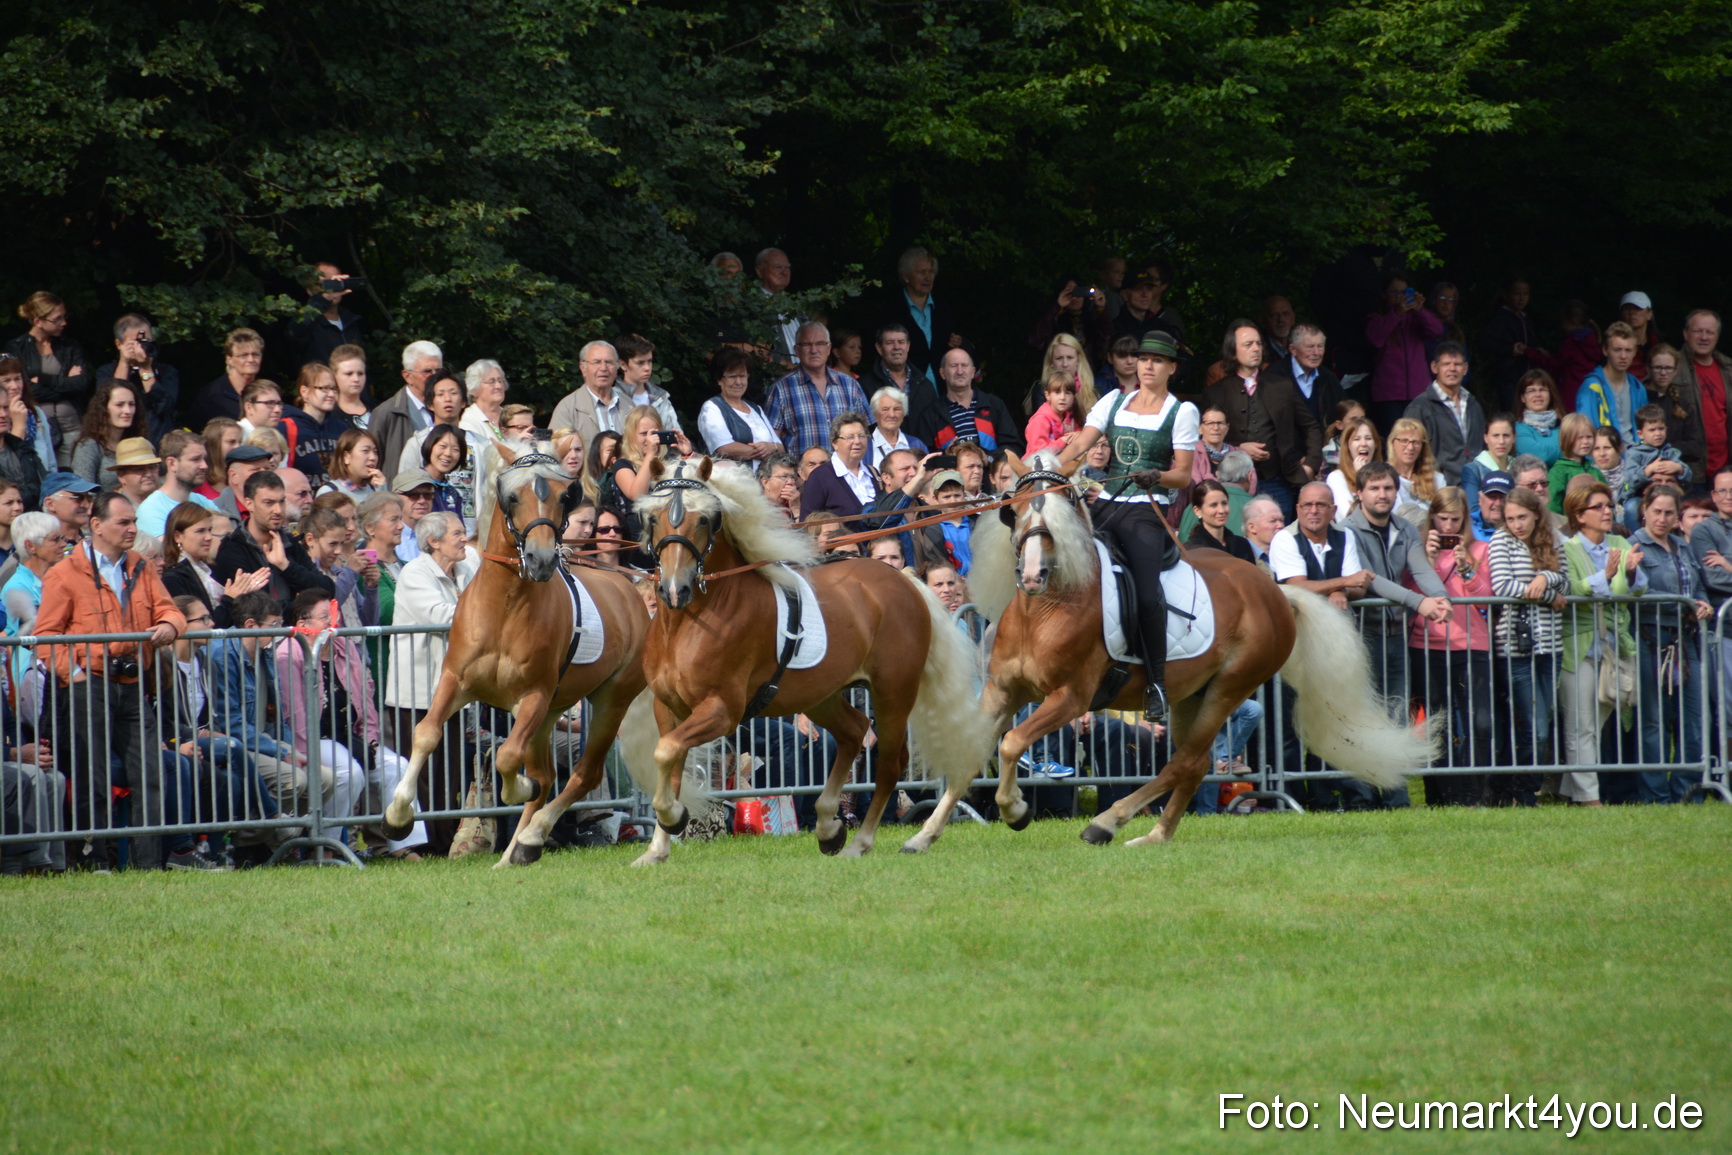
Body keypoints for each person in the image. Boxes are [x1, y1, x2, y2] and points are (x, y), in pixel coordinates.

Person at [36, 492, 186, 869]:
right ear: (97, 525)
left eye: (134, 521)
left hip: (133, 684)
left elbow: (168, 607)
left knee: (150, 773)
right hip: (91, 684)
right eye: (123, 522)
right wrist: (77, 675)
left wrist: (170, 624)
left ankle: (148, 864)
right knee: (93, 779)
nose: (133, 529)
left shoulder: (141, 566)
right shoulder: (63, 574)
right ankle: (94, 860)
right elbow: (46, 637)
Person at [1054, 333, 1197, 722]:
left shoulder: (1181, 411)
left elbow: (1183, 475)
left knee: (1148, 596)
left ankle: (1157, 684)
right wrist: (1046, 469)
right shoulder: (1113, 401)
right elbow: (1075, 449)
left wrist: (1159, 475)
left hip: (1146, 512)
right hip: (1105, 506)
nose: (1147, 366)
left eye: (1156, 361)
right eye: (1143, 359)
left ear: (1171, 368)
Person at [275, 590, 428, 858]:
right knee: (349, 773)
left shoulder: (343, 647)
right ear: (303, 622)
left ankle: (403, 845)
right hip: (313, 740)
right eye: (325, 617)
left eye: (335, 615)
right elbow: (294, 715)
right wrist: (302, 754)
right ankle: (327, 847)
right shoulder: (290, 654)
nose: (333, 622)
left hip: (349, 736)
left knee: (399, 767)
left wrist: (370, 739)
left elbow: (365, 697)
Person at [1342, 462, 1452, 798]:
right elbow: (1369, 580)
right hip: (1362, 635)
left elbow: (1421, 570)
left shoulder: (1405, 528)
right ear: (1359, 493)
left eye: (1388, 488)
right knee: (1363, 717)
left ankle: (1394, 794)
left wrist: (1441, 597)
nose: (1382, 495)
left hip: (1396, 635)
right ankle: (1362, 795)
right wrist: (1419, 603)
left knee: (1397, 716)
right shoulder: (1347, 530)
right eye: (1374, 488)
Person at [383, 512, 478, 854]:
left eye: (464, 531)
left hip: (452, 691)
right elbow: (439, 616)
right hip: (416, 693)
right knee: (421, 774)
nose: (464, 538)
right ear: (434, 541)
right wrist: (484, 613)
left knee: (449, 772)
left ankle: (444, 841)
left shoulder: (466, 569)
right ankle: (424, 845)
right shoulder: (415, 573)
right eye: (457, 533)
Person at [1557, 482, 1645, 807]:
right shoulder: (1566, 550)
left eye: (1608, 505)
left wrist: (1631, 574)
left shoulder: (1621, 541)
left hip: (1614, 645)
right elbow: (1572, 589)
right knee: (1581, 726)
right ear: (1579, 515)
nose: (1607, 511)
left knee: (1596, 722)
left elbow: (1634, 590)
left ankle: (1569, 791)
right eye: (1598, 507)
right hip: (1578, 646)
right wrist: (1606, 576)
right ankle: (1589, 798)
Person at [1407, 487, 1493, 807]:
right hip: (1426, 643)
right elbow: (1413, 592)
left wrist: (1467, 566)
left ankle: (1473, 794)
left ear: (1464, 520)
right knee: (1437, 723)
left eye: (1454, 520)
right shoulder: (1418, 548)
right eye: (1441, 519)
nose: (1447, 527)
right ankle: (1440, 798)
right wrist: (1428, 559)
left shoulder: (1481, 548)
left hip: (1471, 643)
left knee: (1479, 721)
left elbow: (1485, 594)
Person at [1629, 484, 1711, 803]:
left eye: (1668, 513)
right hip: (1651, 637)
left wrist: (1701, 604)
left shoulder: (1683, 546)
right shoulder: (1633, 545)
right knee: (1653, 720)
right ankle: (1655, 795)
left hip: (1686, 639)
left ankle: (1688, 792)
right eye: (1656, 512)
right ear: (1644, 511)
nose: (1662, 519)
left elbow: (1700, 587)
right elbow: (1632, 592)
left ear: (1677, 517)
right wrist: (1680, 601)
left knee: (1693, 718)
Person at [1487, 486, 1566, 806]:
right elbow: (1502, 585)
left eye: (1522, 517)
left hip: (1551, 644)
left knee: (1543, 722)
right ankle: (1520, 789)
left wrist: (1547, 578)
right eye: (1510, 519)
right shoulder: (1500, 541)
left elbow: (1568, 581)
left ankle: (1525, 788)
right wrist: (1549, 593)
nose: (1517, 524)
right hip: (1514, 646)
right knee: (1532, 724)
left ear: (1536, 514)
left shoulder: (1552, 539)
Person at [1203, 320, 1321, 520]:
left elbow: (1311, 427)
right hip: (1231, 482)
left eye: (1258, 343)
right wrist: (1239, 448)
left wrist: (1311, 465)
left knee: (1275, 541)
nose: (1256, 348)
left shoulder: (1281, 386)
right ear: (1233, 350)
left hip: (1276, 481)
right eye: (1248, 344)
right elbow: (1205, 438)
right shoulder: (1216, 392)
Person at [213, 471, 335, 610]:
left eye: (281, 502)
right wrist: (300, 606)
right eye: (268, 503)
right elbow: (256, 611)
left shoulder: (290, 543)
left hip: (296, 630)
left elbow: (327, 590)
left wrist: (286, 566)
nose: (277, 510)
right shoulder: (232, 550)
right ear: (249, 503)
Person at [766, 322, 871, 457]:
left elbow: (867, 433)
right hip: (803, 476)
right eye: (807, 345)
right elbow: (772, 443)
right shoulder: (781, 389)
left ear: (829, 348)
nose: (814, 350)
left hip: (847, 474)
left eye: (820, 344)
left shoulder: (850, 386)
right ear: (796, 350)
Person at [160, 501, 269, 629]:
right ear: (178, 536)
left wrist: (243, 594)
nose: (209, 537)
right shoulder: (173, 578)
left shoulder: (209, 570)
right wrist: (230, 598)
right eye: (200, 531)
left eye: (210, 530)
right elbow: (204, 626)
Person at [5, 292, 87, 460]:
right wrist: (66, 384)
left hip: (72, 424)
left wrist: (44, 379)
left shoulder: (69, 346)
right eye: (57, 319)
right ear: (38, 321)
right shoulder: (17, 348)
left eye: (64, 317)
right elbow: (27, 390)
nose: (64, 323)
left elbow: (81, 384)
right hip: (40, 425)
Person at [1270, 482, 1375, 610]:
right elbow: (1297, 587)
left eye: (1321, 505)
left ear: (1333, 511)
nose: (1313, 511)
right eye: (1307, 505)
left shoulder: (1345, 534)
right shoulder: (1285, 538)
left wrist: (1342, 592)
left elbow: (1359, 586)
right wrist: (1344, 582)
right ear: (1298, 509)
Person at [1365, 272, 1445, 430]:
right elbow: (1375, 339)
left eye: (1404, 292)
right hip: (1388, 396)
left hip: (1418, 392)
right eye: (1394, 292)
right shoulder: (1377, 318)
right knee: (1394, 442)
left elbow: (1437, 331)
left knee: (1419, 441)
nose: (1399, 297)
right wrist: (1397, 313)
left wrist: (1420, 310)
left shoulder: (1415, 318)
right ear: (1384, 294)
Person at [912, 346, 1024, 456]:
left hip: (991, 472)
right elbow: (923, 458)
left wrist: (988, 458)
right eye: (954, 366)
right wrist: (947, 456)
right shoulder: (930, 415)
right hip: (950, 473)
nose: (960, 371)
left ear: (972, 372)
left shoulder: (994, 405)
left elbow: (1014, 447)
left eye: (964, 366)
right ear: (942, 373)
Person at [1401, 341, 1485, 486]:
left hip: (1476, 485)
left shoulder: (1473, 405)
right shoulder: (1420, 407)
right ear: (1435, 367)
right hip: (1439, 488)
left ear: (1465, 368)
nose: (1452, 369)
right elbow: (1407, 451)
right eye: (1446, 364)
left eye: (1457, 364)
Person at [93, 313, 179, 445]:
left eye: (146, 342)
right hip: (119, 444)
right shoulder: (106, 372)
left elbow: (164, 407)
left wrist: (146, 369)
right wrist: (124, 363)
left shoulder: (167, 372)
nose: (142, 348)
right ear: (119, 344)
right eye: (136, 343)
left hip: (157, 442)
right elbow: (108, 402)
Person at [881, 246, 960, 386]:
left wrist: (956, 342)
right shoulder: (891, 310)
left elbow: (952, 342)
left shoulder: (943, 308)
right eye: (922, 272)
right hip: (906, 387)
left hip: (942, 387)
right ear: (906, 276)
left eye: (931, 272)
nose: (928, 278)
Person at [369, 339, 443, 473]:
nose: (435, 377)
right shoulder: (386, 413)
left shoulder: (449, 409)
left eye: (438, 371)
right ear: (407, 376)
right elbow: (372, 464)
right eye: (427, 371)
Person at [697, 347, 780, 466]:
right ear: (719, 380)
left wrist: (771, 447)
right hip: (735, 481)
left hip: (765, 482)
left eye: (742, 376)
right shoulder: (712, 408)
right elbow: (724, 448)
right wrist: (765, 451)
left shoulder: (756, 409)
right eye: (732, 377)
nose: (738, 382)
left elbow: (780, 447)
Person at [799, 411, 882, 526]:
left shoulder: (873, 473)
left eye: (861, 436)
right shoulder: (820, 477)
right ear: (835, 444)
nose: (857, 441)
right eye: (850, 437)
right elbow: (807, 524)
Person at [278, 362, 350, 489]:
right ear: (304, 391)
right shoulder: (286, 428)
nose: (332, 394)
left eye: (334, 389)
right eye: (324, 388)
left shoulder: (342, 429)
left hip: (336, 502)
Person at [1575, 321, 1648, 445]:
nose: (1623, 356)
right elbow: (1585, 433)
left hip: (1638, 453)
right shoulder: (1591, 387)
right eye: (1617, 350)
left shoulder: (1637, 387)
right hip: (1605, 455)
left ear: (1635, 352)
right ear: (1605, 350)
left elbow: (1647, 428)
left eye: (1628, 350)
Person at [282, 262, 365, 371]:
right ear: (309, 290)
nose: (332, 288)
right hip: (321, 386)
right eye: (326, 283)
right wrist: (322, 301)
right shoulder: (306, 322)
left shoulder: (351, 320)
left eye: (336, 282)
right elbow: (293, 334)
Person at [1676, 310, 1729, 478]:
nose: (1704, 337)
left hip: (1725, 467)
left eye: (1710, 332)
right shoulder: (1671, 366)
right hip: (1688, 467)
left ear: (1717, 335)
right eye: (1698, 331)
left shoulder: (1728, 368)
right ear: (1686, 334)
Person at [1475, 275, 1540, 412]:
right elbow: (1485, 341)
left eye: (1525, 294)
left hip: (1527, 375)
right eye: (1517, 294)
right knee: (1512, 412)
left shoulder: (1527, 317)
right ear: (1506, 295)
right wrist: (1510, 349)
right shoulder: (1500, 318)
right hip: (1509, 376)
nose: (1521, 298)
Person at [1619, 403, 1691, 526]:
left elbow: (1688, 476)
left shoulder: (1671, 452)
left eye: (1661, 429)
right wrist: (1647, 471)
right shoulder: (1634, 453)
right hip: (1641, 498)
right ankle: (1637, 539)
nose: (1657, 433)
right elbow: (1628, 483)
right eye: (1652, 430)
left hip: (1669, 495)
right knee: (1631, 507)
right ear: (1640, 434)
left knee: (1690, 507)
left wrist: (1679, 468)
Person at [70, 378, 146, 490]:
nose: (128, 411)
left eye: (132, 404)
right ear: (104, 408)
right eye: (120, 405)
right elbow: (85, 493)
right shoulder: (89, 446)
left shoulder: (138, 442)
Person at [1642, 342, 1701, 480]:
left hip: (1675, 476)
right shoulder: (1639, 398)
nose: (1663, 373)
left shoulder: (1682, 404)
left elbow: (1696, 448)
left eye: (1668, 368)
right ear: (1648, 369)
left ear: (1675, 370)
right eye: (1658, 368)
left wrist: (1666, 449)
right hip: (1645, 474)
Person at [1268, 323, 1346, 427]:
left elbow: (1344, 411)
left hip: (1323, 442)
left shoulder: (1328, 378)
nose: (1316, 353)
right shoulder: (1274, 376)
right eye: (1310, 347)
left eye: (1320, 346)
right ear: (1293, 350)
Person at [1030, 275, 1113, 370]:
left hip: (1088, 377)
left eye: (1078, 292)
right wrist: (1057, 306)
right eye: (1070, 292)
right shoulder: (1054, 320)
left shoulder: (1092, 320)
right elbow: (1036, 341)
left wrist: (1101, 309)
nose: (1075, 297)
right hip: (1059, 376)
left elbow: (1107, 341)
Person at [188, 328, 265, 430]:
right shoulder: (211, 396)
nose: (251, 360)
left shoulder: (266, 393)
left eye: (255, 355)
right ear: (229, 359)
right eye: (243, 355)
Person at [393, 370, 467, 475]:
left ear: (463, 402)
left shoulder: (478, 443)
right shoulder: (417, 443)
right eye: (440, 394)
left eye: (453, 393)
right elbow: (404, 485)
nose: (448, 399)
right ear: (430, 404)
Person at [1529, 298, 1603, 403]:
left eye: (1563, 323)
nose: (1562, 327)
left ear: (1573, 322)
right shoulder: (1593, 340)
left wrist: (1530, 353)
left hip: (1570, 394)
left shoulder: (1573, 342)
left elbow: (1555, 364)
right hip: (1588, 392)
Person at [616, 333, 682, 433]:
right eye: (640, 363)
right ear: (623, 365)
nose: (647, 368)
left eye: (650, 361)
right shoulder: (612, 399)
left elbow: (676, 438)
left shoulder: (661, 398)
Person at [1030, 332, 1101, 418]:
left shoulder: (1093, 392)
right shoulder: (1042, 390)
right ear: (1051, 362)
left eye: (1070, 358)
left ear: (1078, 360)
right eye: (1059, 358)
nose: (1065, 364)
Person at [1459, 412, 1517, 514]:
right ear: (1486, 438)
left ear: (1514, 438)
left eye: (1506, 435)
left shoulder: (1519, 467)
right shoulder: (1473, 470)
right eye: (1495, 436)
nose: (1501, 441)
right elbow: (1473, 511)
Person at [417, 424, 474, 527]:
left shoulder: (453, 493)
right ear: (430, 445)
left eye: (455, 449)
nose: (448, 453)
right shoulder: (414, 485)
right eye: (443, 446)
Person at [1547, 413, 1604, 514]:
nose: (1585, 441)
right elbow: (1553, 507)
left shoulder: (1594, 471)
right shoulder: (1558, 472)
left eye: (1589, 437)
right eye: (1579, 438)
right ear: (1566, 439)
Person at [1327, 416, 1382, 521]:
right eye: (1356, 439)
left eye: (1368, 438)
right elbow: (1350, 516)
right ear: (1347, 446)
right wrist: (1362, 477)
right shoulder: (1336, 478)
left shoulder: (1386, 476)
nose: (1363, 444)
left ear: (1376, 445)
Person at [1386, 417, 1444, 516]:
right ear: (1393, 443)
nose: (1410, 447)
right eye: (1404, 441)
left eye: (1416, 442)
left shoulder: (1437, 479)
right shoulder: (1383, 477)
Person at [1185, 480, 1255, 562]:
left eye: (1224, 503)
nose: (1221, 510)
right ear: (1197, 511)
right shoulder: (1192, 550)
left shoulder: (1242, 544)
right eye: (1213, 505)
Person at [858, 321, 924, 399]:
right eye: (890, 343)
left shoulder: (924, 384)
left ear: (908, 346)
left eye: (901, 342)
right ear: (879, 348)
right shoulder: (863, 385)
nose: (896, 347)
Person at [1513, 369, 1565, 467]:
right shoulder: (1517, 429)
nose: (1538, 395)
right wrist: (1568, 448)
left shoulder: (1564, 426)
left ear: (1550, 395)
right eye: (1531, 390)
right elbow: (1542, 456)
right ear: (1523, 398)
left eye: (1542, 390)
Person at [865, 384, 925, 468]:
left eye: (897, 409)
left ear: (904, 414)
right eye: (885, 409)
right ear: (874, 415)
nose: (892, 415)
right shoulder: (864, 447)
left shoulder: (917, 444)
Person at [316, 428, 387, 498]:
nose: (373, 457)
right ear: (346, 457)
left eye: (375, 452)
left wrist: (382, 491)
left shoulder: (374, 490)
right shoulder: (329, 492)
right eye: (365, 451)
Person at [1024, 373, 1082, 457]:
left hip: (1062, 464)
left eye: (1067, 393)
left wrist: (1079, 435)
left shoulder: (1069, 417)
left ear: (1073, 397)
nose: (1062, 397)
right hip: (1037, 467)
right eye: (1057, 392)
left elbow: (1079, 435)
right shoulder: (1040, 420)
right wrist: (1062, 441)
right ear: (1047, 395)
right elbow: (1037, 452)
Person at [459, 359, 509, 447]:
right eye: (491, 382)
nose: (499, 386)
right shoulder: (468, 420)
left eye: (500, 381)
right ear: (474, 388)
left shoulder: (511, 415)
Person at [330, 344, 374, 428]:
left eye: (360, 373)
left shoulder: (377, 410)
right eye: (349, 374)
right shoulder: (329, 416)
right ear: (334, 375)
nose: (356, 379)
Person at [109, 438, 161, 510]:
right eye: (140, 469)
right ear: (121, 476)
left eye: (152, 467)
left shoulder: (171, 500)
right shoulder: (113, 508)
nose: (148, 474)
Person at [1240, 494, 1284, 569]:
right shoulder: (1239, 555)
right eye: (1273, 521)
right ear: (1252, 527)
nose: (1280, 525)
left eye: (1281, 520)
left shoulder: (1287, 552)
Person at [1468, 469, 1511, 543]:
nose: (1498, 503)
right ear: (1480, 499)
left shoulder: (1520, 529)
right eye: (1492, 496)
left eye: (1503, 497)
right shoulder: (1466, 525)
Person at [758, 451, 801, 521]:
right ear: (765, 483)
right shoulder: (755, 510)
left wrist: (796, 510)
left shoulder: (798, 503)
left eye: (793, 477)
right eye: (784, 477)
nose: (790, 482)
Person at [1261, 295, 1297, 364]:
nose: (1281, 319)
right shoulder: (1258, 349)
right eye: (1274, 315)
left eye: (1285, 314)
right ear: (1264, 321)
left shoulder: (1300, 345)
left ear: (1293, 319)